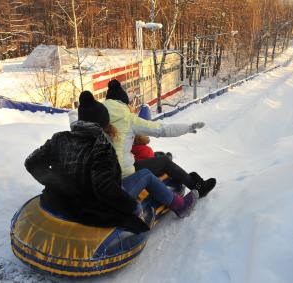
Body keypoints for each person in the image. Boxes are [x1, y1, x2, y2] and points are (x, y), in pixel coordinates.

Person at [25, 91, 199, 234]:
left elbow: (31, 162)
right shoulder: (101, 148)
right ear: (102, 123)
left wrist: (58, 184)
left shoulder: (59, 138)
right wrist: (132, 207)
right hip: (94, 206)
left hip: (63, 201)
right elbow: (105, 189)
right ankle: (180, 206)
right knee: (145, 175)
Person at [69, 79, 216, 198]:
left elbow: (74, 117)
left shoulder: (95, 113)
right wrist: (187, 128)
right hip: (123, 174)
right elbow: (162, 130)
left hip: (100, 175)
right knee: (163, 161)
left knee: (150, 156)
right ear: (124, 102)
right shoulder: (128, 118)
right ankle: (196, 186)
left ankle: (165, 163)